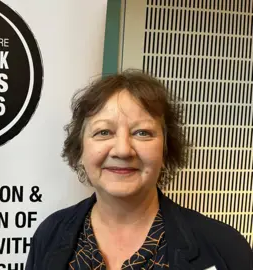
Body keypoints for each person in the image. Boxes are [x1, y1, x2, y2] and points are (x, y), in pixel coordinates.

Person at [25, 70, 253, 270]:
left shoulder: (224, 247)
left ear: (165, 150)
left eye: (142, 132)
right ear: (80, 150)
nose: (123, 151)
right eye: (103, 132)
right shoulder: (49, 235)